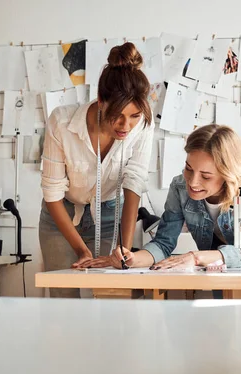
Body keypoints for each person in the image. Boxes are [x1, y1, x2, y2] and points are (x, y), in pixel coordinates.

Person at [77, 124, 241, 272]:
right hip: (214, 268)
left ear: (227, 174)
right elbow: (164, 243)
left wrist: (194, 257)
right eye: (189, 169)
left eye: (206, 176)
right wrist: (130, 258)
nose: (192, 182)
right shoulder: (180, 187)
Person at [39, 42, 155, 298]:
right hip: (62, 214)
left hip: (111, 211)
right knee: (63, 302)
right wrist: (82, 250)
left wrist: (124, 250)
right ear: (101, 102)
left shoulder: (143, 126)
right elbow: (53, 193)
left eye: (134, 115)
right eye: (118, 116)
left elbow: (133, 183)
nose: (127, 126)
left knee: (109, 296)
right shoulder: (61, 122)